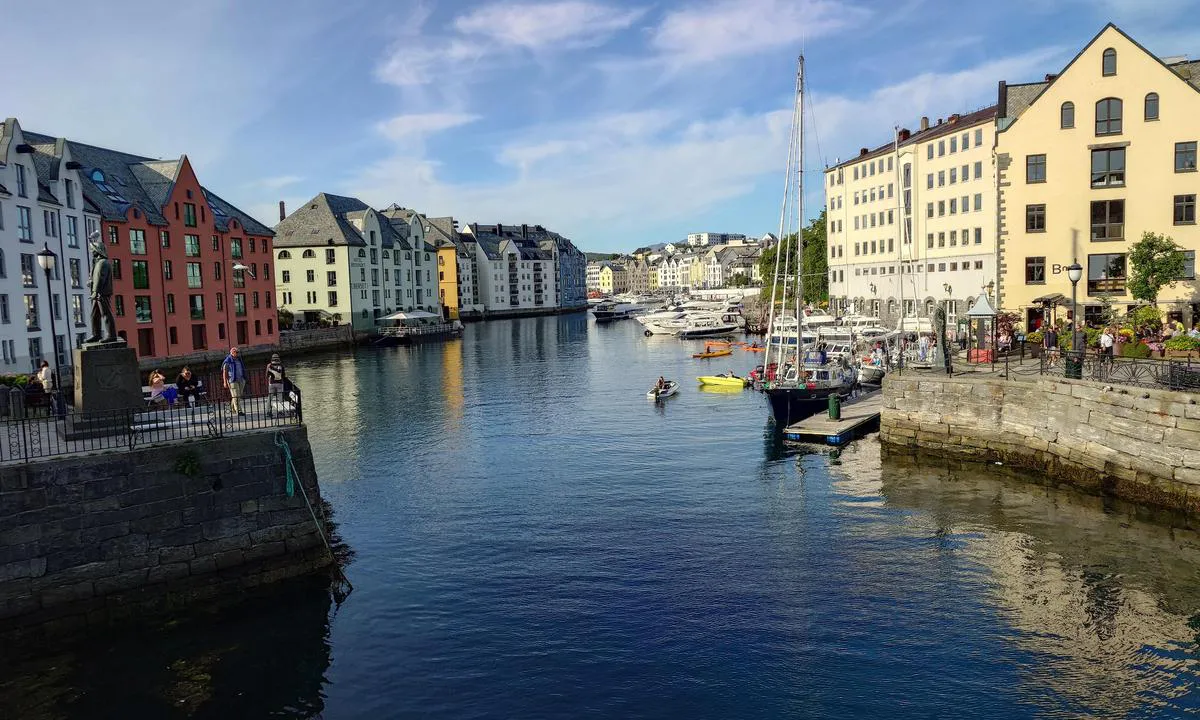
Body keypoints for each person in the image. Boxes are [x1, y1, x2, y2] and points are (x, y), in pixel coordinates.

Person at [222, 346, 247, 416]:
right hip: (232, 380)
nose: (238, 353)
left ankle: (232, 408)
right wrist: (225, 382)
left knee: (238, 395)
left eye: (238, 352)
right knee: (236, 396)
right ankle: (238, 411)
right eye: (236, 352)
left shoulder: (239, 359)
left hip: (241, 379)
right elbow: (225, 372)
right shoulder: (227, 361)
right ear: (232, 353)